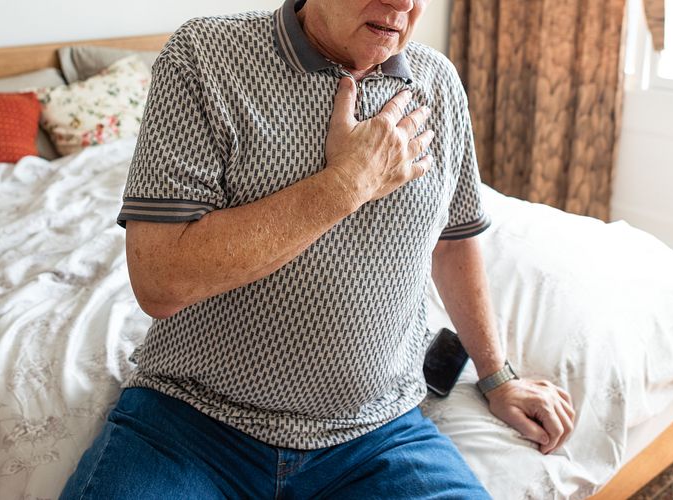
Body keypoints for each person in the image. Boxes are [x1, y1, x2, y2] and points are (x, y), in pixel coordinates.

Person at [61, 0, 575, 498]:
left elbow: (453, 242)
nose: (402, 3)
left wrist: (497, 376)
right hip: (190, 423)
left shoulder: (437, 82)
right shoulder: (204, 55)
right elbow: (160, 281)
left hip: (378, 433)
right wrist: (347, 184)